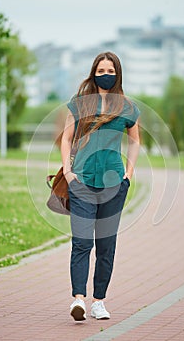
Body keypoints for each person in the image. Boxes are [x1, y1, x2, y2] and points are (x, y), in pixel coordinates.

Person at [61, 52, 140, 321]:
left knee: (106, 245)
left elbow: (135, 141)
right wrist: (68, 172)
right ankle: (78, 300)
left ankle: (99, 301)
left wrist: (128, 174)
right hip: (81, 181)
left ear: (117, 74)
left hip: (113, 185)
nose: (105, 74)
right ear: (93, 72)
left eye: (110, 70)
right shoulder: (79, 104)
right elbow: (66, 138)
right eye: (101, 69)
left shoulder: (127, 107)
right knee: (81, 243)